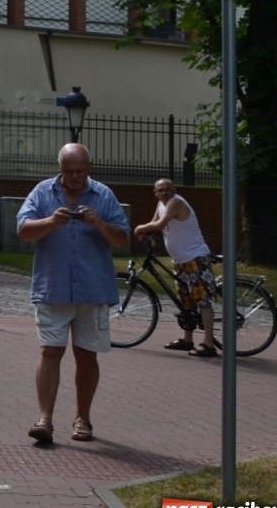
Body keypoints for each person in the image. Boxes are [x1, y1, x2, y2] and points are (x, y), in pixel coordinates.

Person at [16, 143, 129, 443]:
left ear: (89, 167)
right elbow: (24, 230)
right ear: (59, 167)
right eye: (68, 171)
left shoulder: (103, 195)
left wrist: (98, 223)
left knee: (86, 355)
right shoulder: (42, 192)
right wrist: (51, 221)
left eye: (80, 171)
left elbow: (122, 239)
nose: (75, 177)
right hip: (53, 288)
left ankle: (83, 419)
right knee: (50, 352)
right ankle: (44, 420)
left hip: (92, 290)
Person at [133, 177, 217, 356]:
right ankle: (187, 340)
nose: (164, 192)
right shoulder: (161, 205)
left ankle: (209, 343)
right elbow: (156, 225)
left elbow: (160, 224)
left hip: (195, 257)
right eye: (160, 190)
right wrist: (147, 235)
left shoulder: (175, 202)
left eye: (168, 189)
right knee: (185, 301)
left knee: (202, 301)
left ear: (174, 190)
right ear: (155, 193)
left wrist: (139, 228)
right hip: (180, 260)